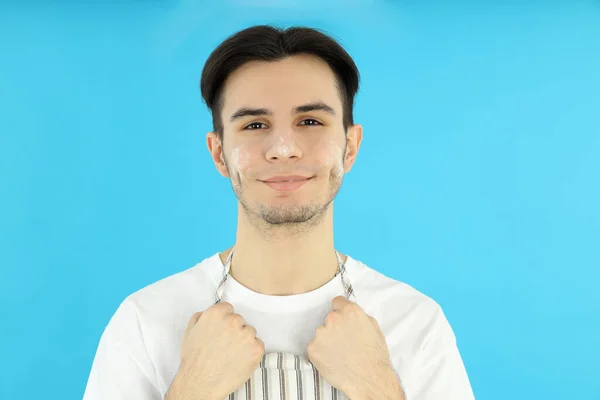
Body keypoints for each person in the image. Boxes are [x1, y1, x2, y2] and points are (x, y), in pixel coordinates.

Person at [82, 25, 475, 400]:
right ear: (219, 153)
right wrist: (193, 389)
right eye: (255, 124)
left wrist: (376, 386)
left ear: (350, 146)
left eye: (310, 121)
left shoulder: (414, 323)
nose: (283, 148)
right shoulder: (145, 321)